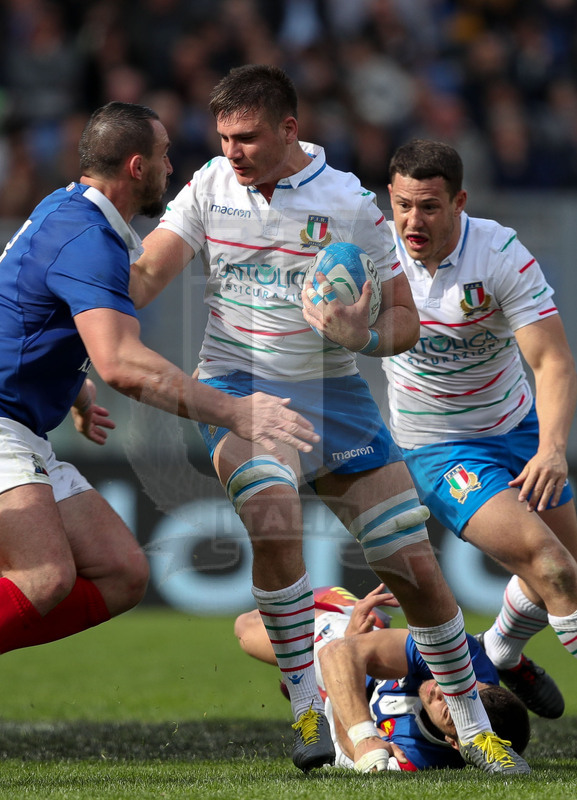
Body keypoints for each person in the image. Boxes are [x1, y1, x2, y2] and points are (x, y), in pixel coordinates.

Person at [131, 65, 529, 774]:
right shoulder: (208, 187)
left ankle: (473, 726)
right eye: (223, 137)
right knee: (271, 507)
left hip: (335, 394)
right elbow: (146, 275)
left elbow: (404, 319)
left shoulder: (347, 202)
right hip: (238, 383)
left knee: (415, 571)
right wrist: (77, 298)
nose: (232, 151)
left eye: (247, 137)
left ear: (289, 129)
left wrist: (359, 335)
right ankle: (307, 703)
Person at [0, 101, 321, 682]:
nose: (173, 165)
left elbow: (24, 313)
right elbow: (122, 363)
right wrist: (234, 411)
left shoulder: (66, 212)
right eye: (165, 153)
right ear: (136, 167)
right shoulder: (87, 239)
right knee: (43, 578)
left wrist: (72, 389)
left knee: (122, 571)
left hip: (20, 422)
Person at [384, 137, 577, 721]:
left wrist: (551, 447)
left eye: (430, 207)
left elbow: (552, 361)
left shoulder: (499, 254)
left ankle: (499, 650)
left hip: (516, 428)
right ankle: (502, 651)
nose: (412, 221)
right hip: (436, 448)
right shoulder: (370, 251)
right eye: (402, 205)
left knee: (567, 565)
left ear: (460, 202)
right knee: (553, 568)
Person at [235, 585, 531, 772]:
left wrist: (331, 699)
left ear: (455, 743)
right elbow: (340, 653)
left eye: (452, 716)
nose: (441, 694)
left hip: (338, 699)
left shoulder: (417, 760)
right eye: (466, 696)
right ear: (479, 683)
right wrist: (352, 638)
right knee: (247, 626)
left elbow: (346, 753)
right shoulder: (465, 660)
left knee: (246, 632)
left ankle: (312, 674)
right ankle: (505, 653)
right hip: (358, 648)